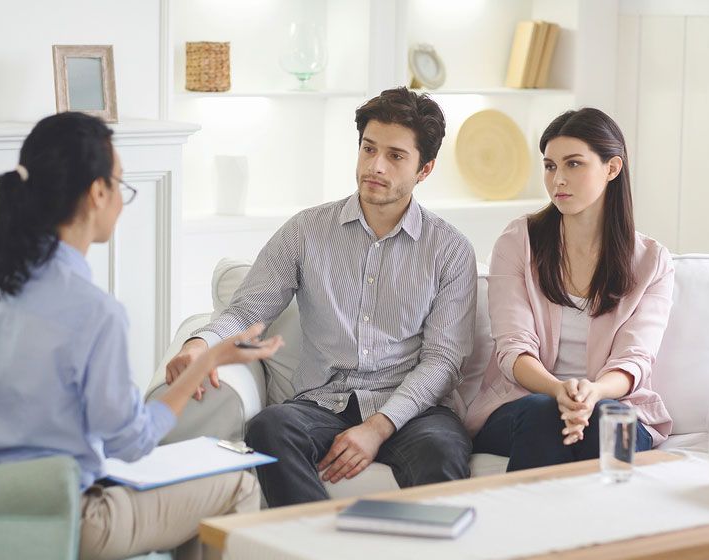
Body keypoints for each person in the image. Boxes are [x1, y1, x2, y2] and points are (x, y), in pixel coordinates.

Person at [0, 112, 282, 560]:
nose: (122, 203)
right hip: (71, 520)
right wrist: (204, 362)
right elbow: (131, 441)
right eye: (121, 185)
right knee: (237, 484)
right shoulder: (93, 310)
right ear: (97, 193)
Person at [165, 87, 477, 507]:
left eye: (395, 156)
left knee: (444, 450)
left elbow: (442, 361)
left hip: (414, 411)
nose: (375, 166)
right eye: (369, 148)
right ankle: (314, 540)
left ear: (425, 169)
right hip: (322, 405)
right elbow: (247, 310)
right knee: (268, 429)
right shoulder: (306, 231)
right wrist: (199, 345)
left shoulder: (450, 251)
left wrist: (378, 427)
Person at [464, 107, 674, 471]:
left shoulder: (651, 262)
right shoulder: (518, 242)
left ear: (612, 168)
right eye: (550, 166)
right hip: (523, 404)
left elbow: (634, 359)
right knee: (545, 412)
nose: (558, 179)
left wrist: (593, 393)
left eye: (573, 164)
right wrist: (558, 391)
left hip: (610, 403)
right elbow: (513, 348)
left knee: (607, 419)